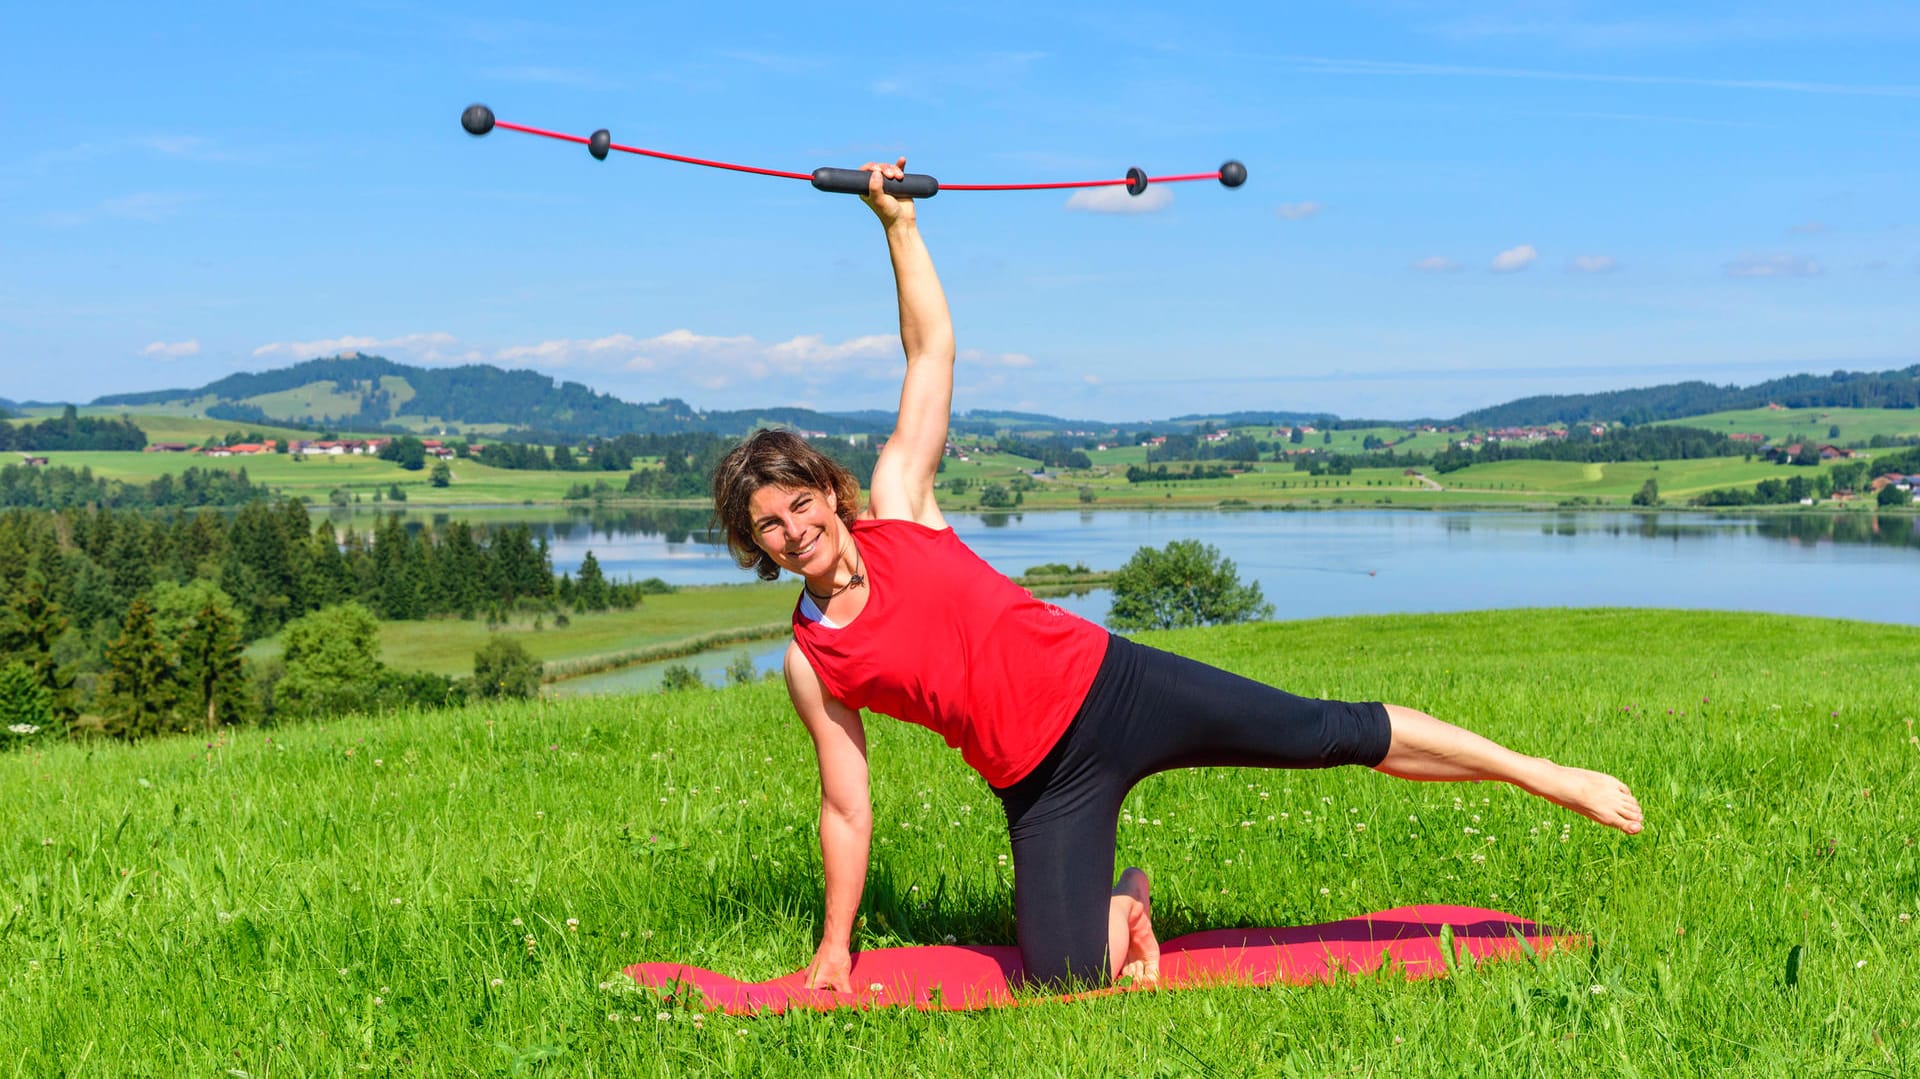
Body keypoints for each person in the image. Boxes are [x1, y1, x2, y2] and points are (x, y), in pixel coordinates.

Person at [709, 159, 1644, 992]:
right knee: (1066, 976)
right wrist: (836, 944)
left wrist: (899, 227)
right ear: (757, 548)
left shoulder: (901, 504)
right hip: (1040, 783)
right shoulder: (813, 660)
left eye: (800, 505)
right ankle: (1128, 898)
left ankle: (1544, 775)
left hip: (1118, 688)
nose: (795, 533)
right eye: (770, 529)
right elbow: (846, 801)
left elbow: (931, 353)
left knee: (1329, 731)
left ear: (827, 492)